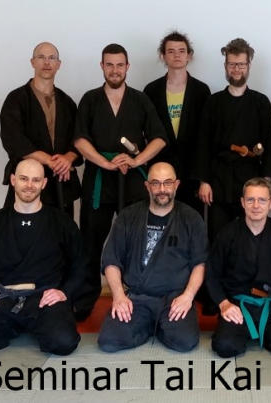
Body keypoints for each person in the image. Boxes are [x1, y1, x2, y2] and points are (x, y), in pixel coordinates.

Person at [73, 43, 168, 320]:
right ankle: (85, 299)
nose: (115, 70)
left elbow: (159, 138)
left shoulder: (140, 100)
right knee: (90, 241)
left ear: (127, 67)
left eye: (119, 65)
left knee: (137, 240)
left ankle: (138, 294)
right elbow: (79, 139)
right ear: (102, 66)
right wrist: (104, 162)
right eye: (109, 65)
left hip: (132, 180)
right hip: (99, 178)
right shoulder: (90, 99)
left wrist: (137, 161)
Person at [0, 159, 84, 358]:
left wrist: (64, 292)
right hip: (1, 298)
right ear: (13, 180)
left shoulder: (61, 222)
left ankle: (19, 325)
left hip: (44, 299)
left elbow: (81, 263)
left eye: (35, 180)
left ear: (44, 183)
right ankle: (13, 326)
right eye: (23, 179)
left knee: (63, 342)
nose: (29, 185)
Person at [97, 162, 207, 352]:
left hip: (174, 298)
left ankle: (155, 325)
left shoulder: (191, 218)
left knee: (184, 341)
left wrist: (187, 297)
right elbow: (111, 260)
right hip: (138, 298)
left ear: (176, 185)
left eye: (167, 183)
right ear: (147, 186)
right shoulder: (128, 216)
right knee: (109, 341)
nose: (162, 189)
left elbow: (200, 263)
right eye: (155, 183)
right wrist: (119, 296)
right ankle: (149, 325)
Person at [206, 178, 271, 357]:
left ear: (270, 203)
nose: (256, 206)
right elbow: (212, 274)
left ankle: (263, 333)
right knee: (225, 346)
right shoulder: (227, 234)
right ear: (242, 202)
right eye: (250, 200)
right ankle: (246, 332)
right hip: (237, 305)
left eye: (262, 200)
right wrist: (224, 304)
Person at [194, 38, 271, 241]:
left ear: (249, 66)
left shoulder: (261, 102)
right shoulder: (213, 102)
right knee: (218, 235)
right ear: (225, 66)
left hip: (251, 178)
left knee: (251, 235)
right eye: (232, 64)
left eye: (241, 64)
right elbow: (203, 144)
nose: (236, 69)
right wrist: (204, 181)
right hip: (219, 180)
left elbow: (270, 143)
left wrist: (266, 183)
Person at [0, 42, 82, 215]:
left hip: (61, 182)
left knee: (62, 229)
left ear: (58, 64)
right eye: (41, 57)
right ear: (32, 62)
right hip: (28, 181)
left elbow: (79, 139)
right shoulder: (16, 99)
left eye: (52, 58)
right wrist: (50, 161)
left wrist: (67, 158)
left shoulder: (67, 103)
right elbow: (13, 139)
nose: (47, 62)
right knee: (21, 229)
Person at [143, 31, 211, 214]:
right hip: (159, 169)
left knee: (190, 219)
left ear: (189, 55)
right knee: (159, 217)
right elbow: (147, 132)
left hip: (191, 170)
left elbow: (205, 137)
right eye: (171, 51)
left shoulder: (201, 91)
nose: (177, 55)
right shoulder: (151, 90)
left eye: (182, 51)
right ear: (163, 56)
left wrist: (204, 178)